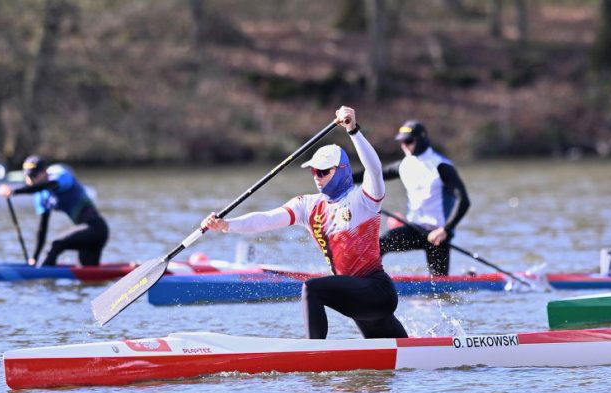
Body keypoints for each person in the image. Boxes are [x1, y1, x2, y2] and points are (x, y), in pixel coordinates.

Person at [201, 106, 407, 340]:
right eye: (313, 172)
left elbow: (375, 168)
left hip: (376, 290)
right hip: (355, 298)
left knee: (312, 288)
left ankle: (314, 354)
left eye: (322, 172)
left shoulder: (364, 199)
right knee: (394, 364)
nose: (317, 177)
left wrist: (353, 130)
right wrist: (227, 225)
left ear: (341, 170)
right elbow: (266, 219)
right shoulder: (307, 205)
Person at [354, 120, 470, 276]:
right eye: (401, 142)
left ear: (421, 140)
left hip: (438, 236)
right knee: (378, 245)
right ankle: (369, 279)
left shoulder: (442, 166)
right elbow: (371, 174)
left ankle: (467, 279)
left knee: (440, 289)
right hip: (414, 230)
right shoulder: (404, 165)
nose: (404, 146)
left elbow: (464, 201)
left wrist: (446, 230)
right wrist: (343, 177)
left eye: (408, 141)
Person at [0, 155, 109, 267]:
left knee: (56, 243)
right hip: (86, 238)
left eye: (34, 176)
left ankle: (45, 280)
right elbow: (42, 230)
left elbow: (46, 186)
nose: (31, 180)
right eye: (28, 177)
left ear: (45, 172)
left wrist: (14, 192)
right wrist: (34, 258)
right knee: (88, 273)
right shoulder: (41, 197)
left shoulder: (60, 176)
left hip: (97, 229)